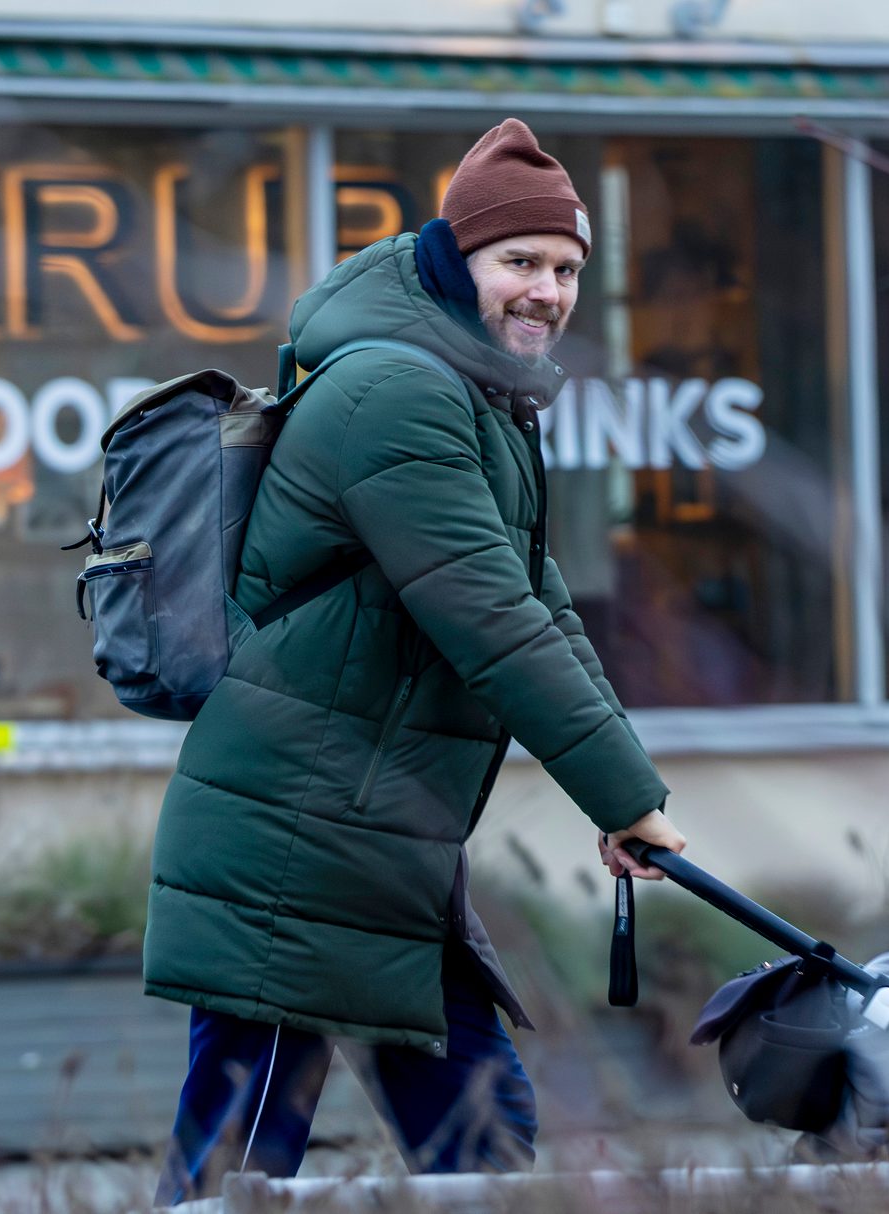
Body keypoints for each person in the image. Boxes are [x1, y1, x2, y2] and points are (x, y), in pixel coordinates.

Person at [144, 118, 688, 1205]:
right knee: (232, 1171)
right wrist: (625, 794)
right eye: (520, 262)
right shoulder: (396, 394)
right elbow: (489, 620)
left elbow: (540, 603)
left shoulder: (479, 396)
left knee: (482, 1147)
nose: (546, 290)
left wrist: (633, 794)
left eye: (569, 268)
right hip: (297, 842)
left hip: (381, 836)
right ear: (456, 258)